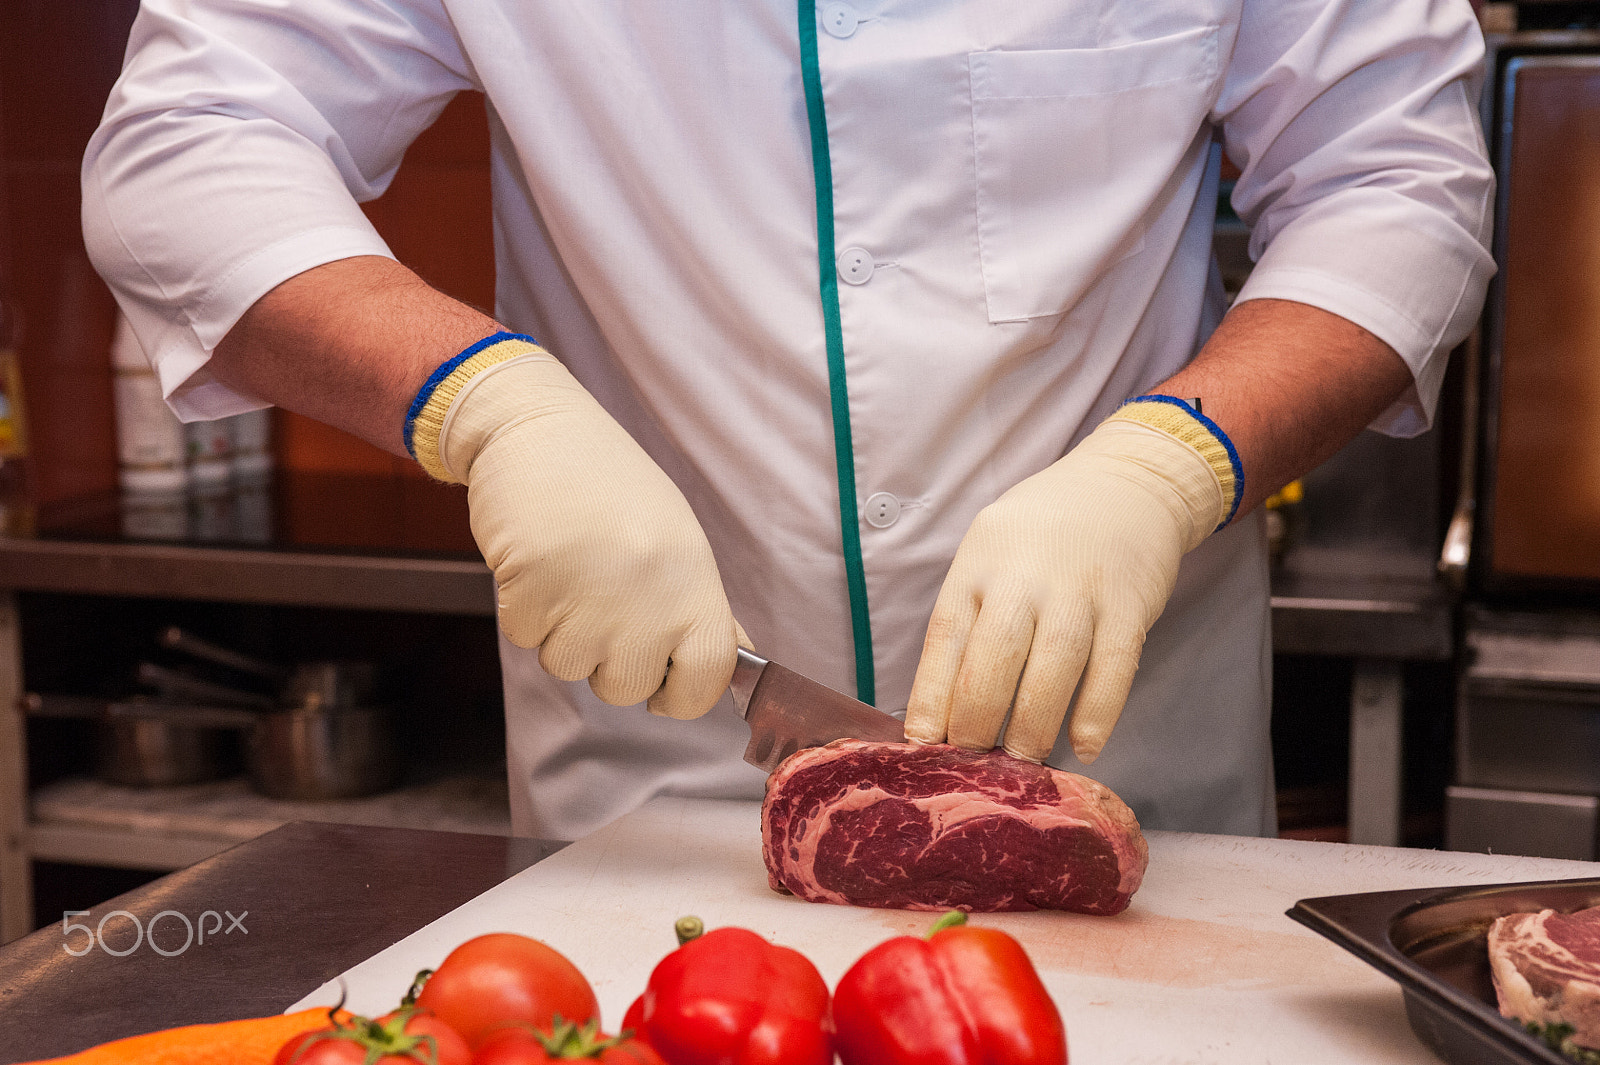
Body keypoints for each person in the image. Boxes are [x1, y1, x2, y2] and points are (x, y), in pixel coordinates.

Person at [82, 0, 1494, 841]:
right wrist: (482, 400)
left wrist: (1173, 461)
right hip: (656, 792)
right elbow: (191, 147)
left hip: (1117, 782)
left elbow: (1398, 181)